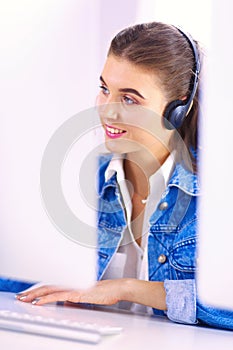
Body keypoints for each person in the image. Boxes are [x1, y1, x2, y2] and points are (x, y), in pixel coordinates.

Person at [15, 21, 233, 330]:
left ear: (177, 111)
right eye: (105, 89)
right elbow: (19, 273)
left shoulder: (219, 195)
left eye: (129, 99)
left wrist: (127, 289)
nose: (106, 110)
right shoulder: (80, 182)